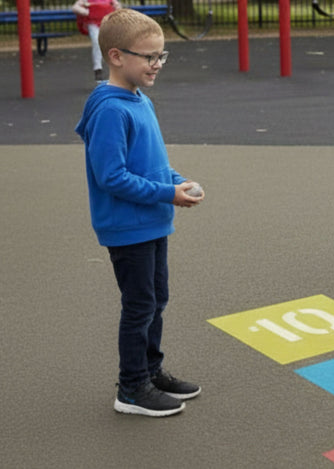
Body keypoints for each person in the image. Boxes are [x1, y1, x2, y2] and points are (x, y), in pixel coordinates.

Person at [74, 8, 203, 417]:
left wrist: (175, 180)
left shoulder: (136, 98)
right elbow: (111, 176)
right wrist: (168, 193)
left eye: (161, 56)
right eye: (149, 57)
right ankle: (131, 388)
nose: (157, 64)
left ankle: (150, 370)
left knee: (155, 299)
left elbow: (148, 160)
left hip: (150, 219)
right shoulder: (111, 109)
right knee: (140, 305)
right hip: (128, 226)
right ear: (116, 56)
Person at [71, 0, 121, 82]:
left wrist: (115, 8)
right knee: (97, 42)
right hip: (93, 22)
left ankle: (115, 68)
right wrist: (86, 12)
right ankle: (98, 69)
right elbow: (75, 7)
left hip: (107, 21)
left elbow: (117, 6)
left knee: (110, 43)